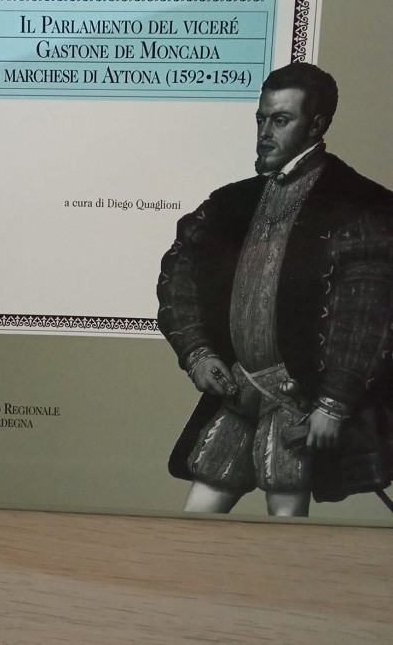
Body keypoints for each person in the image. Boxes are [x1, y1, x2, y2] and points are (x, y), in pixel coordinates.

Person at [157, 62, 393, 517]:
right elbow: (179, 276)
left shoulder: (361, 205)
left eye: (280, 120)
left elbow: (366, 315)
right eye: (261, 119)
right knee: (195, 519)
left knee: (286, 526)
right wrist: (197, 352)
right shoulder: (231, 202)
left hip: (300, 402)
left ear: (316, 125)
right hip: (239, 391)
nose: (265, 133)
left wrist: (335, 403)